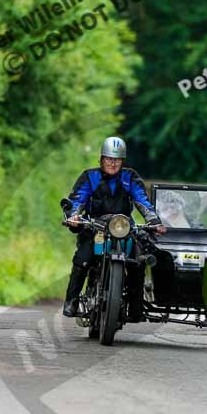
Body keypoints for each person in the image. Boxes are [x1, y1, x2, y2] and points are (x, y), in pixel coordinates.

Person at [62, 136, 166, 318]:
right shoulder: (90, 176)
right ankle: (71, 301)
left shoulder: (130, 177)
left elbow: (142, 200)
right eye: (109, 159)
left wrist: (154, 220)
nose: (112, 163)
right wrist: (73, 216)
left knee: (138, 258)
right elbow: (78, 199)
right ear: (101, 159)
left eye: (117, 159)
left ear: (122, 161)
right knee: (83, 258)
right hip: (96, 227)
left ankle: (135, 306)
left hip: (124, 227)